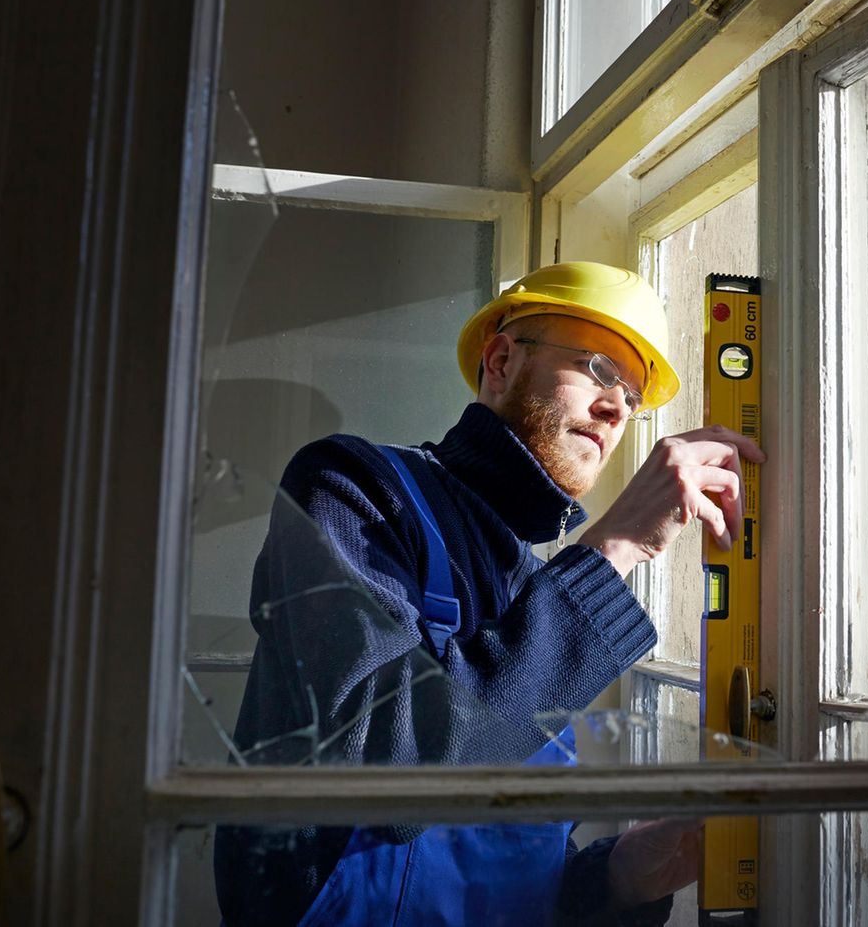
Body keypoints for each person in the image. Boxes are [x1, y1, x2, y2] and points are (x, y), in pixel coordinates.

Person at [214, 261, 765, 926]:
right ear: (501, 360)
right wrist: (614, 547)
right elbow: (391, 766)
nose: (618, 405)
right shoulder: (351, 489)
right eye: (597, 367)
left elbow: (510, 880)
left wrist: (617, 876)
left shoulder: (538, 588)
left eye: (633, 394)